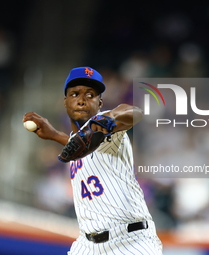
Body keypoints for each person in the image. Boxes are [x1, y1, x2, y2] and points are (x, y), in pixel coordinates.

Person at [23, 67, 163, 254]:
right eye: (75, 94)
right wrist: (56, 135)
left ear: (100, 102)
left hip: (130, 241)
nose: (82, 99)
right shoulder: (80, 142)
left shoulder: (107, 127)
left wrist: (108, 119)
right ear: (65, 102)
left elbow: (132, 112)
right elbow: (84, 148)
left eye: (91, 94)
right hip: (87, 245)